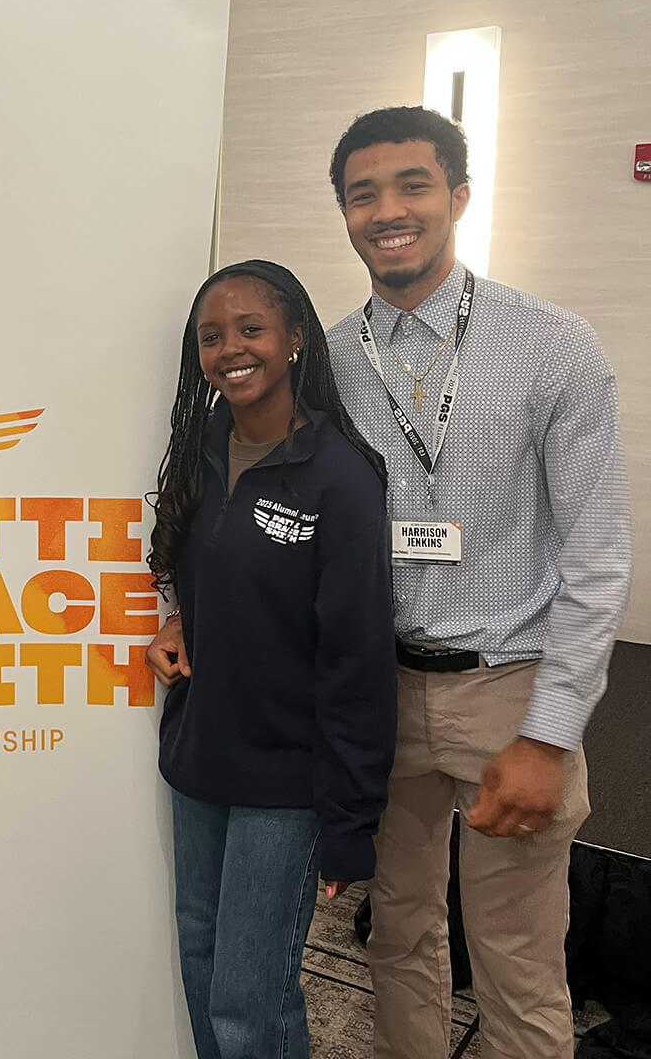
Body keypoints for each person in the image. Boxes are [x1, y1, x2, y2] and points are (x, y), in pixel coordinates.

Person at [324, 106, 631, 1058]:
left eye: (412, 184)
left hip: (508, 687)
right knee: (397, 936)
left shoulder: (553, 347)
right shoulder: (328, 362)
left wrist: (552, 733)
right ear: (343, 214)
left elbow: (598, 556)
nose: (388, 211)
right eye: (362, 193)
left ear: (458, 195)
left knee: (519, 961)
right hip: (377, 689)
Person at [144, 259, 397, 1059]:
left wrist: (352, 821)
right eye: (211, 336)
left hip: (285, 783)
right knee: (201, 966)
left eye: (250, 329)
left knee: (251, 1003)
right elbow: (192, 563)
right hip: (200, 764)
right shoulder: (200, 449)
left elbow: (358, 661)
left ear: (293, 338)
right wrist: (177, 617)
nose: (230, 349)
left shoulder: (340, 479)